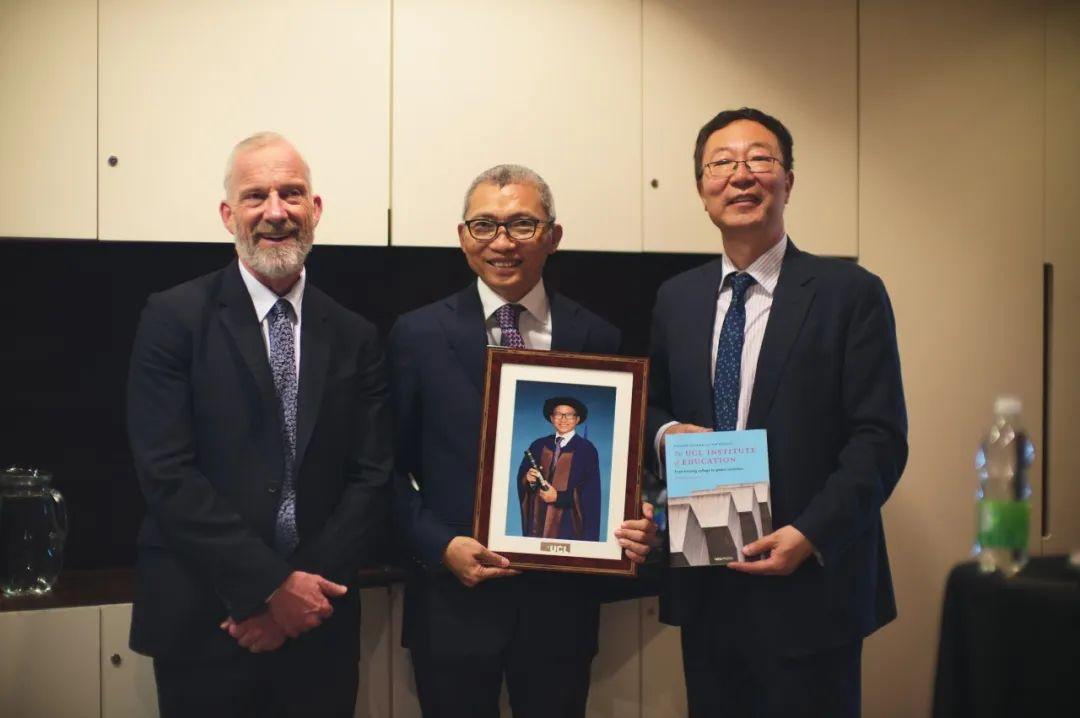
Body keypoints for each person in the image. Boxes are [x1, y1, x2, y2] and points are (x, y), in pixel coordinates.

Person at [646, 108, 908, 718]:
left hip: (811, 585)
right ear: (701, 189)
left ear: (787, 180)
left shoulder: (849, 293)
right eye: (721, 163)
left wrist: (810, 534)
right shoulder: (676, 297)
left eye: (759, 159)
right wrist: (666, 433)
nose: (740, 175)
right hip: (708, 580)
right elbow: (650, 404)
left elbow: (879, 438)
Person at [126, 132, 392, 718]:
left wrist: (299, 597)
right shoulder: (172, 318)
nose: (276, 212)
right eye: (255, 196)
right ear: (229, 215)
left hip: (319, 620)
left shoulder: (355, 335)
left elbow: (372, 477)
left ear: (314, 209)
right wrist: (271, 587)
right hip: (206, 617)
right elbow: (167, 472)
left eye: (291, 194)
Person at [389, 164, 657, 718]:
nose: (503, 242)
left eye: (522, 225)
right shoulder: (416, 334)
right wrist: (439, 545)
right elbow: (382, 468)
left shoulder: (598, 336)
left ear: (553, 236)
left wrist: (636, 514)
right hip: (452, 604)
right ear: (463, 236)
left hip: (561, 609)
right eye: (484, 225)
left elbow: (617, 464)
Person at [518, 396, 601, 541]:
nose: (563, 419)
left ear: (577, 419)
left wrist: (558, 497)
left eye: (569, 415)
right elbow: (524, 483)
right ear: (551, 418)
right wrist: (529, 480)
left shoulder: (587, 450)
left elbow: (591, 494)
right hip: (539, 520)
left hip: (568, 525)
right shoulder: (538, 445)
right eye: (558, 414)